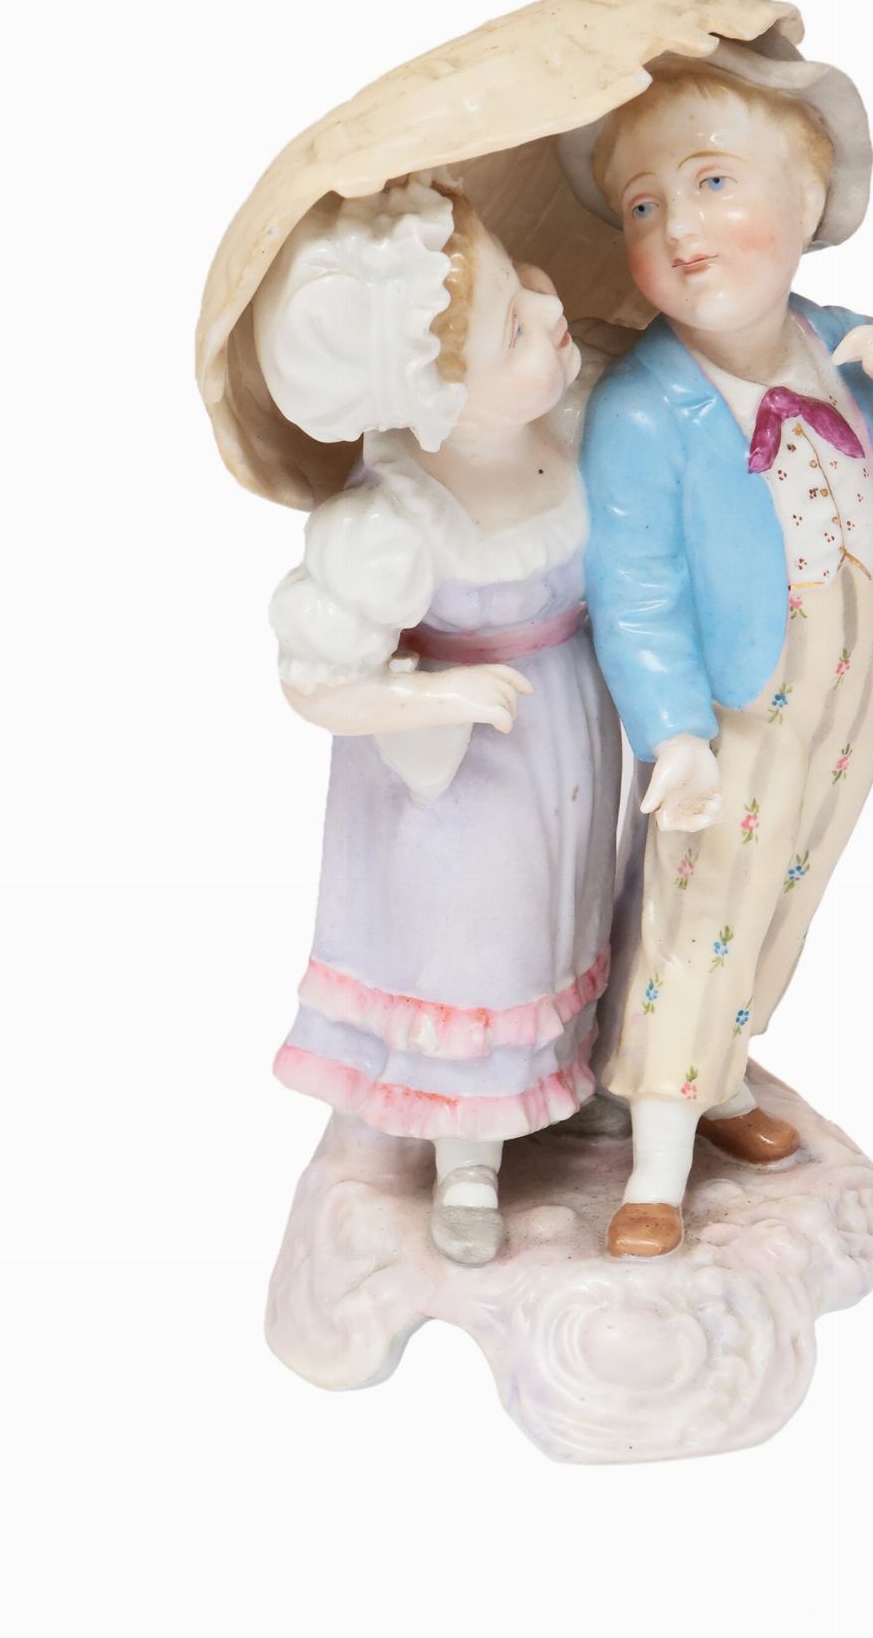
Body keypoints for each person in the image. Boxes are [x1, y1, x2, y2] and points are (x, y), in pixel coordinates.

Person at [566, 50, 873, 1257]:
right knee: (703, 900)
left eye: (714, 183)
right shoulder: (643, 408)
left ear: (809, 200)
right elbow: (636, 588)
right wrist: (671, 730)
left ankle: (721, 1076)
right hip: (740, 701)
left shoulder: (832, 343)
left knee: (788, 884)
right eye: (643, 207)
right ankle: (654, 1158)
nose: (679, 232)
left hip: (853, 675)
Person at [253, 176, 620, 1265]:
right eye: (513, 328)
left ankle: (563, 1078)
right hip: (465, 784)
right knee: (480, 949)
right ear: (435, 400)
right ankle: (467, 1157)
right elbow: (314, 679)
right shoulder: (394, 522)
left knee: (568, 914)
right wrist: (431, 696)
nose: (550, 309)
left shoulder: (577, 414)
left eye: (525, 280)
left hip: (569, 735)